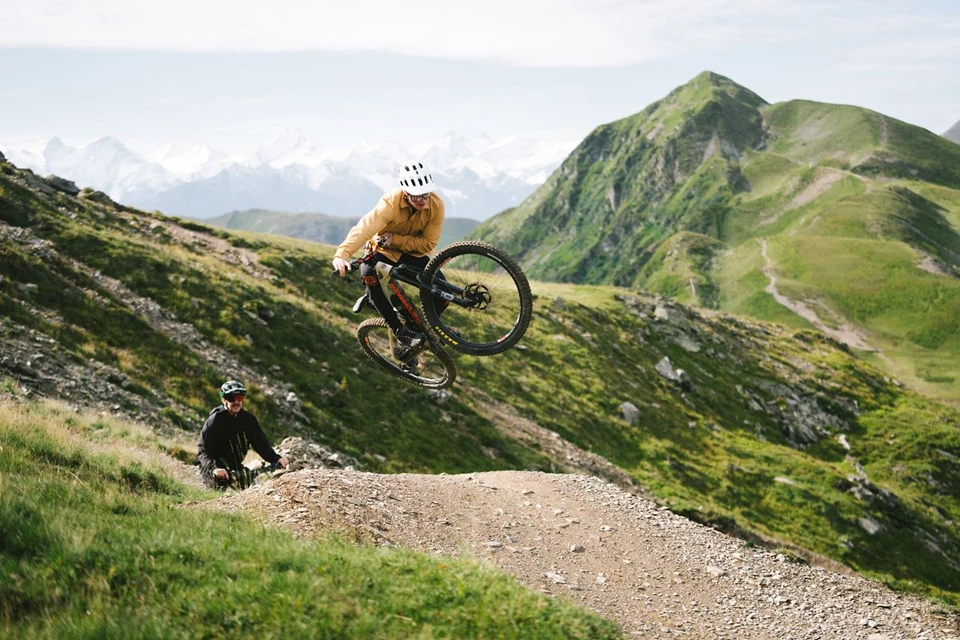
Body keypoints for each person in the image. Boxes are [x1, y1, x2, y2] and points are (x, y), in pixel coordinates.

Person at [331, 161, 445, 358]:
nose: (423, 200)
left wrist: (396, 239)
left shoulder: (436, 206)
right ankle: (400, 331)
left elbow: (427, 244)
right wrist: (342, 254)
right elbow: (365, 228)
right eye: (417, 195)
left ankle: (421, 327)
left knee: (443, 292)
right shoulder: (390, 202)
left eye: (426, 194)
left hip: (413, 253)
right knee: (369, 276)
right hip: (383, 251)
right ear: (406, 192)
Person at [197, 380, 289, 490]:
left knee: (251, 489)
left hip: (234, 466)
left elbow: (261, 444)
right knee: (219, 495)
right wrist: (214, 469)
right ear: (224, 400)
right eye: (232, 398)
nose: (236, 402)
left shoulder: (248, 420)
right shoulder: (214, 420)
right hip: (214, 468)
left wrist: (276, 459)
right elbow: (203, 449)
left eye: (239, 398)